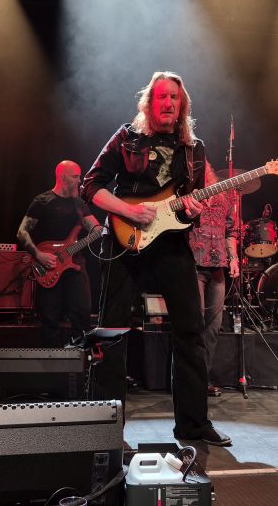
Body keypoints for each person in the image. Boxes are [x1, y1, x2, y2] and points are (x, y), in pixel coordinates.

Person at [81, 71, 231, 446]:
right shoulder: (126, 137)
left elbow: (188, 204)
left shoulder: (195, 148)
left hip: (171, 243)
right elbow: (91, 186)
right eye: (161, 97)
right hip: (124, 239)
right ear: (149, 103)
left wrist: (194, 209)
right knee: (112, 331)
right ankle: (105, 424)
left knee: (191, 331)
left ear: (183, 106)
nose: (168, 103)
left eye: (174, 98)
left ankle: (193, 424)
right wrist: (128, 211)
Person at [17, 160, 99, 347]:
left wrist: (104, 229)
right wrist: (39, 255)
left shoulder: (79, 204)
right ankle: (51, 362)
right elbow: (22, 232)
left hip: (75, 265)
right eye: (75, 176)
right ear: (63, 177)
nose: (79, 180)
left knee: (82, 314)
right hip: (49, 265)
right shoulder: (42, 201)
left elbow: (95, 228)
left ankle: (79, 358)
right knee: (50, 317)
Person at [187, 161, 240, 397]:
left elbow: (231, 231)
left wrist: (234, 259)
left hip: (218, 267)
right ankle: (190, 378)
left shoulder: (225, 196)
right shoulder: (187, 194)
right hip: (194, 264)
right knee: (195, 323)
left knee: (214, 325)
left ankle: (203, 378)